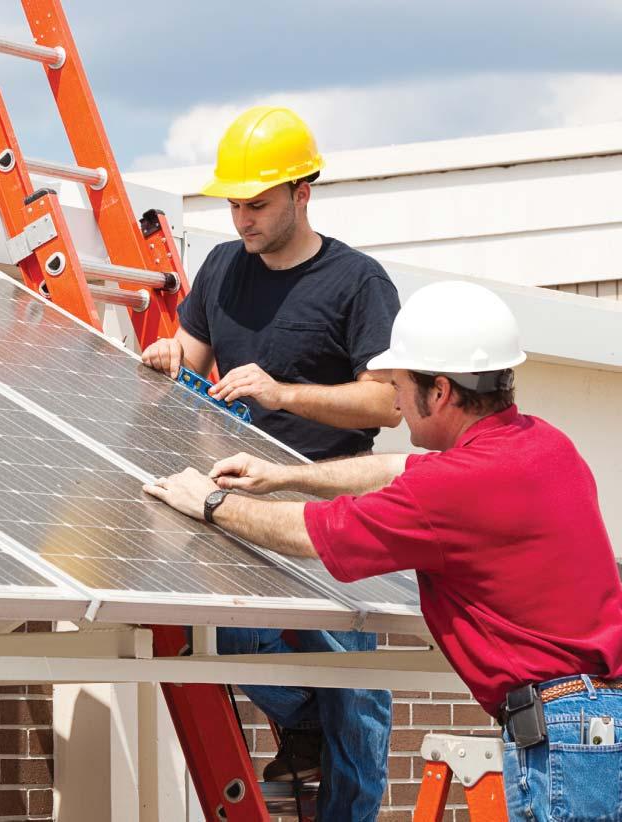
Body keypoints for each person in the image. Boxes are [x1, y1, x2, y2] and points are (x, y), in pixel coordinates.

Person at [145, 279, 622, 821]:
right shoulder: (542, 445)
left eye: (398, 384)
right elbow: (393, 467)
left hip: (564, 738)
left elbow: (315, 534)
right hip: (598, 726)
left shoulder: (455, 488)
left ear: (439, 391)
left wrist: (210, 503)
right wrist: (283, 474)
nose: (393, 401)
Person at [141, 105, 401, 821]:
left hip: (327, 512)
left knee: (354, 686)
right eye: (233, 205)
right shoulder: (223, 268)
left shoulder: (358, 283)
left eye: (257, 205)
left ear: (302, 193)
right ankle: (306, 725)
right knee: (228, 639)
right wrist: (169, 359)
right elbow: (188, 370)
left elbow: (385, 405)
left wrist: (281, 391)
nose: (242, 221)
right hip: (236, 505)